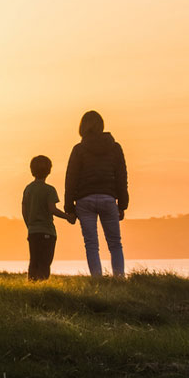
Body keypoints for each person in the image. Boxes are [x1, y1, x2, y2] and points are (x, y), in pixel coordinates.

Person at [64, 110, 129, 277]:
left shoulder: (78, 149)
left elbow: (71, 178)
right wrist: (122, 205)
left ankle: (97, 279)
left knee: (91, 244)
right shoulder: (115, 148)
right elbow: (121, 176)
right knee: (115, 243)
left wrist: (69, 207)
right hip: (108, 198)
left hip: (84, 200)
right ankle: (119, 278)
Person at [22, 155, 75, 281]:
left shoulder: (28, 189)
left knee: (34, 260)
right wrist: (67, 217)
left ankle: (32, 284)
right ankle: (43, 285)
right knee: (45, 262)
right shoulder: (49, 190)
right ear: (49, 171)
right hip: (47, 231)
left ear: (31, 170)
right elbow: (52, 209)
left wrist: (29, 225)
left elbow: (24, 210)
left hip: (33, 231)